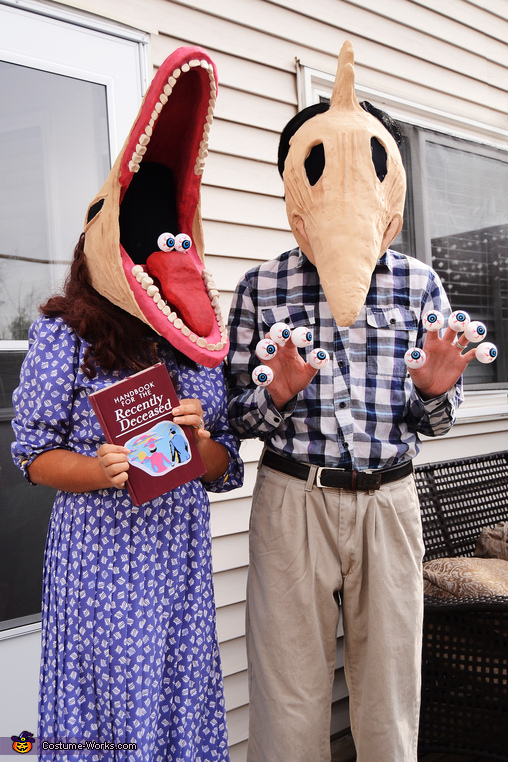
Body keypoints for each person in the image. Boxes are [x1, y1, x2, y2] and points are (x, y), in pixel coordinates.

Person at [226, 41, 477, 762]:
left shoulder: (418, 284)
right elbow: (237, 416)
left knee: (390, 697)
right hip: (291, 498)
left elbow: (435, 415)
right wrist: (275, 392)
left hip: (388, 500)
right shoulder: (260, 287)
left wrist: (433, 393)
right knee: (288, 697)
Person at [12, 45, 243, 762]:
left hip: (176, 555)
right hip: (99, 560)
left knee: (175, 695)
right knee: (108, 706)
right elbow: (33, 456)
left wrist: (199, 434)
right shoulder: (64, 331)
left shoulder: (195, 335)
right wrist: (100, 468)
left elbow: (222, 462)